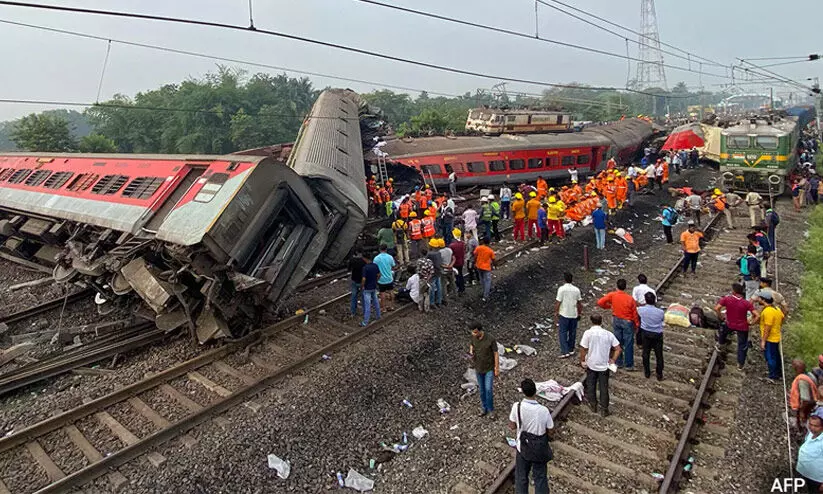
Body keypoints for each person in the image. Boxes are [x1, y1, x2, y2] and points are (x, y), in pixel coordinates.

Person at [509, 378, 553, 494]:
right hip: (539, 448)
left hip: (522, 447)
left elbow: (512, 426)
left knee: (521, 478)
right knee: (540, 478)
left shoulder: (516, 407)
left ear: (523, 392)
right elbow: (550, 430)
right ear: (535, 392)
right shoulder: (544, 410)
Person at [580, 314, 622, 417]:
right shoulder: (608, 334)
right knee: (604, 387)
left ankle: (593, 405)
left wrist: (582, 360)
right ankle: (604, 409)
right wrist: (613, 360)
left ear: (591, 321)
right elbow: (618, 348)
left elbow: (583, 348)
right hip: (604, 365)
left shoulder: (588, 333)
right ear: (601, 321)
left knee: (591, 385)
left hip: (591, 364)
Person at [597, 279, 639, 370]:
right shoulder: (630, 298)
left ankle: (618, 362)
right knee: (628, 343)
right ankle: (628, 364)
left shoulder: (612, 295)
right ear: (625, 287)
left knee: (617, 342)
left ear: (617, 286)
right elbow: (634, 313)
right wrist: (636, 325)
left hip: (616, 319)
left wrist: (608, 306)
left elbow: (600, 302)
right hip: (627, 321)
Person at [716, 282, 759, 370]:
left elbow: (717, 308)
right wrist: (752, 323)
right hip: (742, 326)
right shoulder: (746, 303)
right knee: (742, 345)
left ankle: (720, 344)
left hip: (730, 323)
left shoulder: (726, 299)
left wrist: (721, 317)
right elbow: (757, 315)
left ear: (733, 292)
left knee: (723, 331)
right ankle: (740, 364)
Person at [469, 321, 499, 418]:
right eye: (472, 332)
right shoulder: (474, 337)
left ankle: (491, 410)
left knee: (488, 389)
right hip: (478, 368)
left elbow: (496, 353)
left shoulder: (490, 339)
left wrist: (497, 368)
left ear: (480, 331)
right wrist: (471, 352)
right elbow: (472, 345)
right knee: (481, 390)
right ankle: (484, 407)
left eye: (475, 332)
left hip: (489, 368)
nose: (473, 334)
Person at [638, 292, 665, 381]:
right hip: (657, 334)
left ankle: (647, 372)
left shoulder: (641, 310)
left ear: (645, 300)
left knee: (646, 353)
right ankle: (659, 373)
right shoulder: (660, 312)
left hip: (646, 334)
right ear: (655, 300)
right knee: (659, 355)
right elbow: (662, 320)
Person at [555, 272, 583, 359]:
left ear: (564, 279)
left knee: (562, 332)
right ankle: (571, 349)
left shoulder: (561, 289)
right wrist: (579, 312)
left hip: (564, 313)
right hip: (573, 314)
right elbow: (579, 303)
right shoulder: (576, 290)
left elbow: (558, 302)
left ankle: (565, 351)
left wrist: (556, 312)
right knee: (572, 332)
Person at [790, 359, 820, 434]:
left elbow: (805, 399)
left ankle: (801, 431)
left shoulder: (802, 381)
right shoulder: (810, 375)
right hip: (814, 400)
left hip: (808, 405)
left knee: (803, 420)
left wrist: (802, 411)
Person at [795, 411, 823, 492]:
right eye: (810, 424)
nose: (812, 428)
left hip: (816, 479)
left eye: (816, 426)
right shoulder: (811, 433)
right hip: (803, 472)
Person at [759, 293, 784, 383]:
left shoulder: (768, 311)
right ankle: (778, 373)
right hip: (776, 336)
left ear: (764, 300)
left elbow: (767, 328)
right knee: (776, 356)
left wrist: (763, 341)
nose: (758, 299)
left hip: (770, 338)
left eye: (760, 298)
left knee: (770, 357)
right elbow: (782, 318)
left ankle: (772, 376)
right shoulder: (777, 309)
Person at [373, 244, 396, 312]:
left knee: (382, 293)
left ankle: (384, 308)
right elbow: (393, 266)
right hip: (389, 278)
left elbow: (374, 268)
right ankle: (392, 306)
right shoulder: (390, 257)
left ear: (380, 249)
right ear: (386, 249)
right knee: (391, 291)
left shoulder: (376, 258)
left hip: (381, 279)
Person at [360, 253, 381, 326]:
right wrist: (376, 281)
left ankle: (365, 322)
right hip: (373, 287)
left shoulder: (365, 268)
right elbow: (379, 275)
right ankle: (378, 316)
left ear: (365, 259)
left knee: (367, 305)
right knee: (376, 302)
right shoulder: (375, 266)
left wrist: (362, 286)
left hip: (367, 288)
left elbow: (363, 279)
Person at [348, 251, 367, 317]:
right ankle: (365, 312)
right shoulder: (364, 261)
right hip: (362, 281)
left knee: (353, 296)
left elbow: (349, 269)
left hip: (354, 280)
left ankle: (353, 312)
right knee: (364, 297)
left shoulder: (352, 260)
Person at [415, 248, 434, 312]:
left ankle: (420, 308)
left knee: (421, 293)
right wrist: (428, 278)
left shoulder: (419, 261)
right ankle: (427, 308)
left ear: (421, 254)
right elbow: (431, 272)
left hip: (421, 279)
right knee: (427, 294)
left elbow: (418, 271)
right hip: (428, 279)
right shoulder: (429, 261)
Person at [426, 239, 444, 308]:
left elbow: (426, 262)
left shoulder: (430, 254)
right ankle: (439, 301)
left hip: (432, 272)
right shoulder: (439, 252)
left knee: (432, 287)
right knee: (439, 286)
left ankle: (432, 302)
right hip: (438, 271)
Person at [449, 229, 466, 295]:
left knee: (457, 276)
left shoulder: (452, 245)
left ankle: (459, 289)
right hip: (461, 261)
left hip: (455, 263)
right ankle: (462, 288)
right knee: (460, 275)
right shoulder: (462, 243)